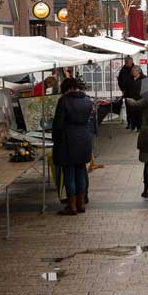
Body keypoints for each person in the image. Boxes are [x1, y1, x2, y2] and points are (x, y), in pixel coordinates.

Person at [52, 78, 97, 214]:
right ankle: (81, 203)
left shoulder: (64, 101)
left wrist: (55, 138)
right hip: (84, 138)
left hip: (68, 140)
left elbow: (58, 125)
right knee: (81, 171)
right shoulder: (87, 101)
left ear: (67, 88)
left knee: (69, 173)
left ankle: (71, 206)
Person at [117, 56, 138, 130]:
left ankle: (135, 124)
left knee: (134, 108)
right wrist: (122, 89)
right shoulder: (123, 70)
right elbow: (119, 80)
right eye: (125, 62)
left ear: (131, 62)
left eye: (127, 62)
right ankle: (129, 123)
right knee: (128, 108)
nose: (126, 63)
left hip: (134, 92)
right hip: (126, 92)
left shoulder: (135, 69)